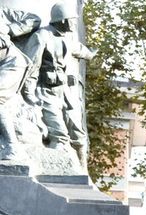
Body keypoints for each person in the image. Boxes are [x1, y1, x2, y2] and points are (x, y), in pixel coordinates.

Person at [23, 3, 93, 157]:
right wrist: (29, 95)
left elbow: (80, 50)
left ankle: (81, 167)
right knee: (59, 135)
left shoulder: (67, 38)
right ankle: (54, 165)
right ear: (62, 20)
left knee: (78, 134)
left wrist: (91, 54)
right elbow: (30, 67)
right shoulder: (41, 36)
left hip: (65, 93)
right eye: (72, 20)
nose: (74, 23)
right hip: (45, 92)